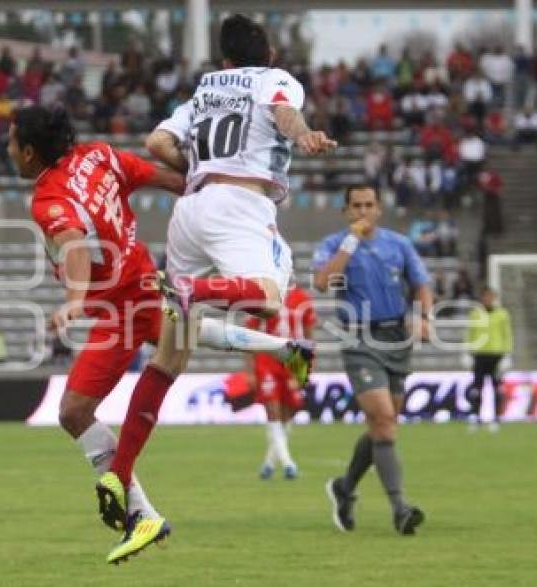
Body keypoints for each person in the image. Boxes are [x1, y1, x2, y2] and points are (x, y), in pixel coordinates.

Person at [8, 101, 319, 565]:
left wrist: (74, 299)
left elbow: (73, 244)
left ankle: (141, 514)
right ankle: (284, 348)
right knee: (185, 332)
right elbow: (166, 179)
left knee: (74, 412)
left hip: (118, 310)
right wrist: (218, 199)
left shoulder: (48, 198)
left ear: (29, 152)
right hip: (144, 280)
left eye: (12, 140)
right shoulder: (100, 156)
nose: (8, 148)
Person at [99, 14, 333, 564]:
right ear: (268, 52)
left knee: (170, 355)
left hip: (190, 207)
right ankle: (194, 288)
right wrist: (304, 135)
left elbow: (158, 142)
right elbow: (283, 111)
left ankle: (120, 472)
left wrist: (201, 167)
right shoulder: (273, 80)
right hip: (240, 203)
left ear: (224, 59)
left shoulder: (205, 90)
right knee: (270, 298)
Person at [315, 185, 432, 536]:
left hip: (397, 337)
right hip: (358, 337)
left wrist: (424, 315)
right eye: (356, 206)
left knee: (384, 425)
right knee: (383, 420)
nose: (363, 211)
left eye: (369, 205)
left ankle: (344, 487)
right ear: (346, 211)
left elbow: (421, 284)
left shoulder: (399, 244)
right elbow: (322, 281)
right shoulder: (333, 244)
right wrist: (350, 242)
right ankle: (400, 508)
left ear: (379, 209)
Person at [246, 285, 316, 480]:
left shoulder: (302, 298)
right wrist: (250, 369)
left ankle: (269, 462)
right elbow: (249, 329)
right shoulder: (265, 295)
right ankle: (288, 463)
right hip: (268, 359)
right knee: (273, 410)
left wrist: (308, 365)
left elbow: (310, 334)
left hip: (294, 360)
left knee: (288, 412)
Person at [465, 288, 513, 432]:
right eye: (486, 297)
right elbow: (470, 333)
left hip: (496, 355)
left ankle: (496, 419)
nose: (488, 299)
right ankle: (475, 418)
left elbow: (507, 334)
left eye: (491, 297)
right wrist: (467, 353)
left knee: (497, 389)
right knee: (476, 389)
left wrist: (507, 355)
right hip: (479, 354)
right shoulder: (475, 314)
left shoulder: (502, 314)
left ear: (495, 298)